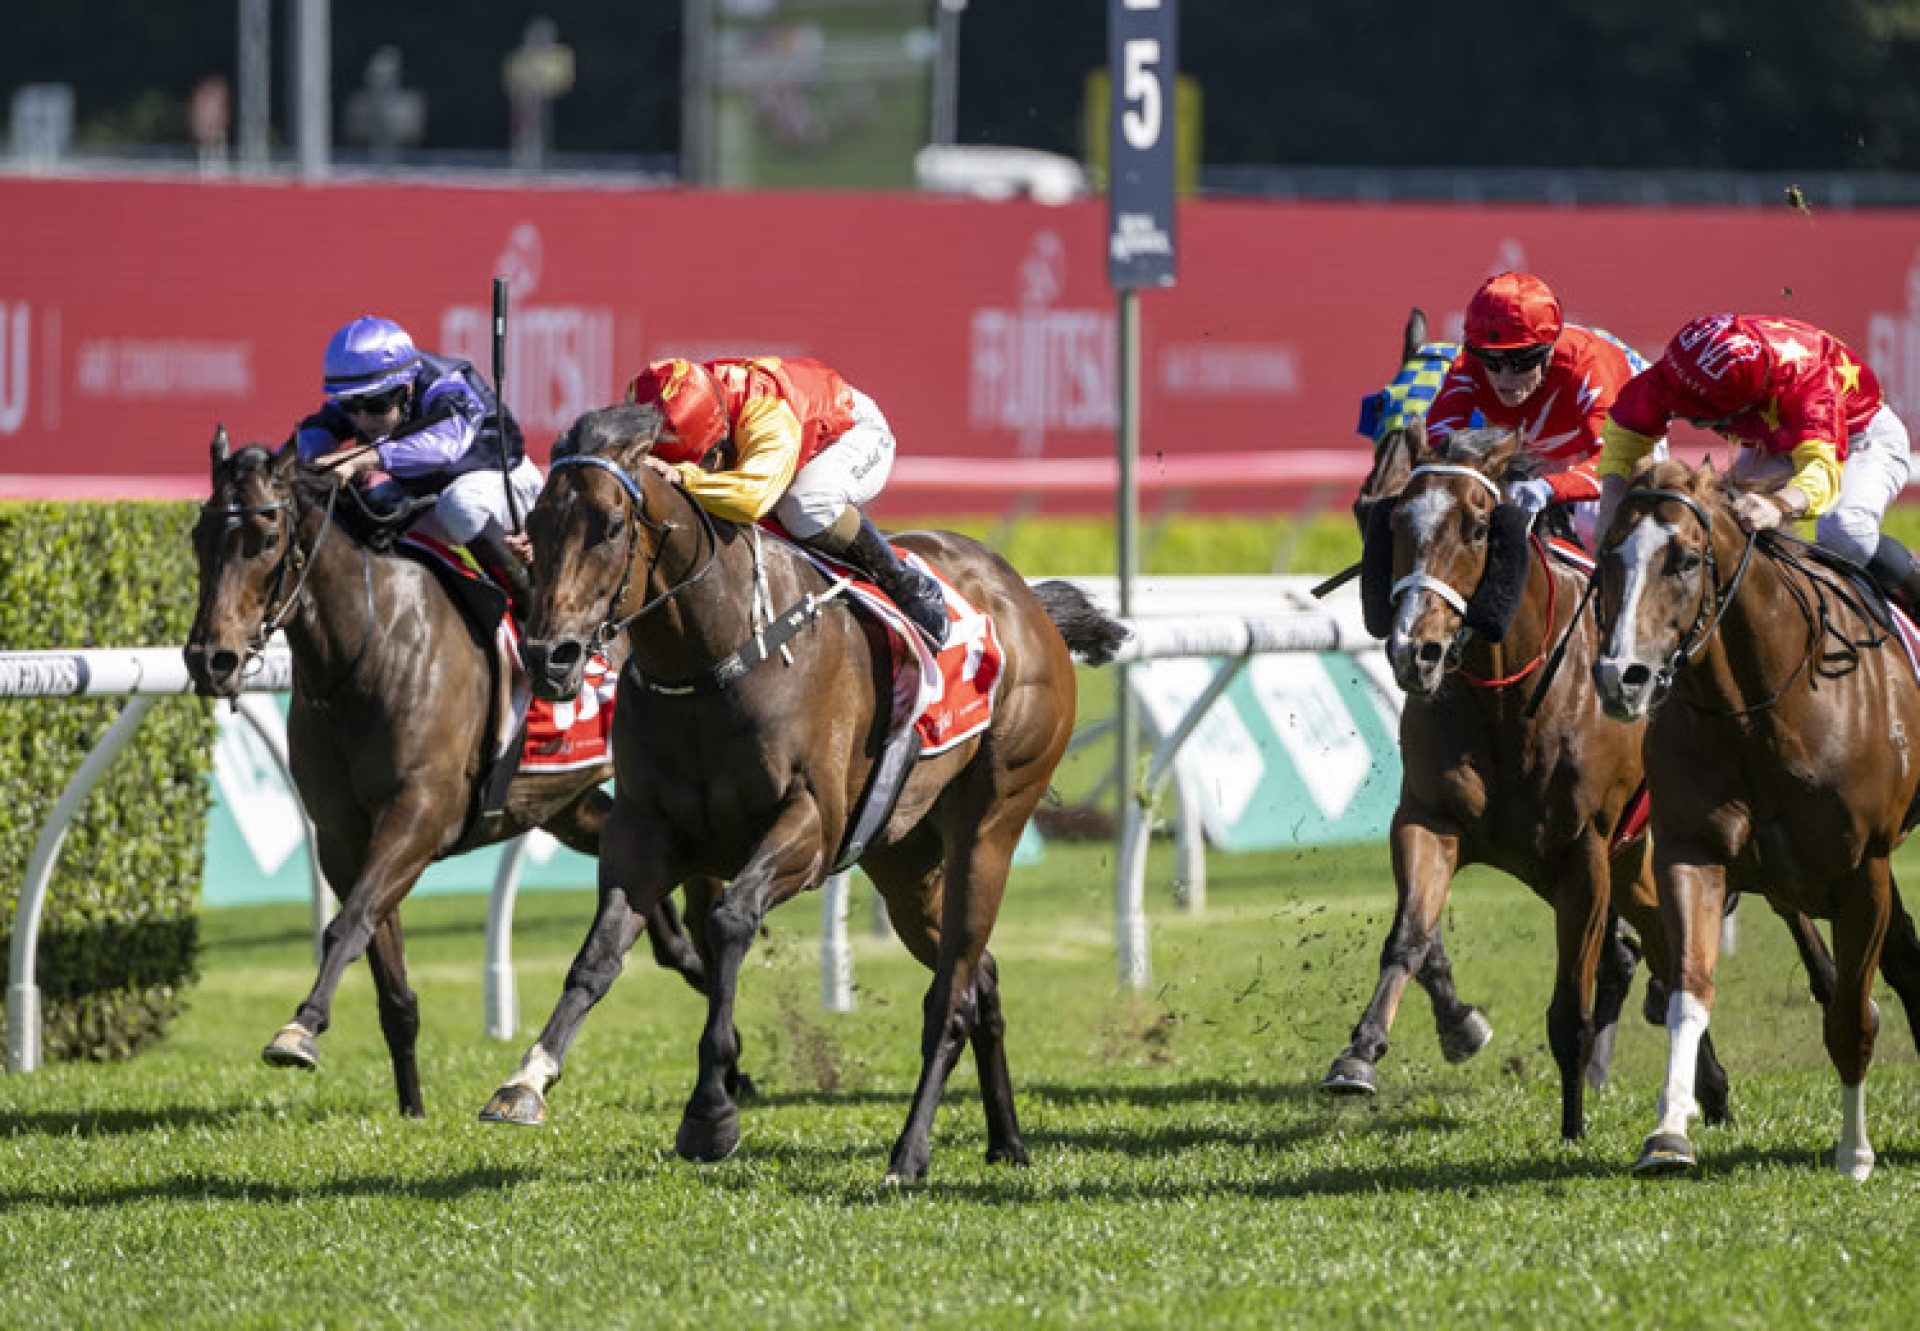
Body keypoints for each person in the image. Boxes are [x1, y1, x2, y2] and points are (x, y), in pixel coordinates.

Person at [1594, 313, 1917, 608]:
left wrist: (1778, 504)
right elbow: (1625, 437)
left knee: (1844, 533)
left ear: (1747, 401)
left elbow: (1822, 471)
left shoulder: (1806, 381)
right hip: (1775, 442)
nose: (1701, 427)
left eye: (1709, 423)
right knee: (1720, 528)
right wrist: (1610, 518)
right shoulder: (1679, 371)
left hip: (1859, 436)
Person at [624, 354, 949, 646]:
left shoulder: (767, 417)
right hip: (787, 430)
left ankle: (907, 585)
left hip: (849, 433)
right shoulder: (676, 401)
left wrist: (683, 477)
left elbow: (751, 500)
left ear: (716, 433)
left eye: (700, 458)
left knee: (804, 506)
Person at [296, 315, 542, 611]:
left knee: (459, 505)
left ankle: (529, 600)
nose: (361, 420)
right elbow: (315, 434)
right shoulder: (370, 391)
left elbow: (445, 446)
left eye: (375, 406)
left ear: (407, 388)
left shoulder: (449, 384)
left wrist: (362, 459)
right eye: (351, 406)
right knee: (366, 508)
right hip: (431, 497)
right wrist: (276, 467)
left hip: (504, 487)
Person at [1425, 271, 1654, 548]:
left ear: (1548, 352)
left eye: (1521, 362)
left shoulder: (1588, 370)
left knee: (1595, 526)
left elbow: (1613, 465)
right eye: (1492, 362)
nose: (1505, 378)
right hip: (1545, 440)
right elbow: (1438, 443)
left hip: (1620, 431)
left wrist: (1548, 488)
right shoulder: (1469, 366)